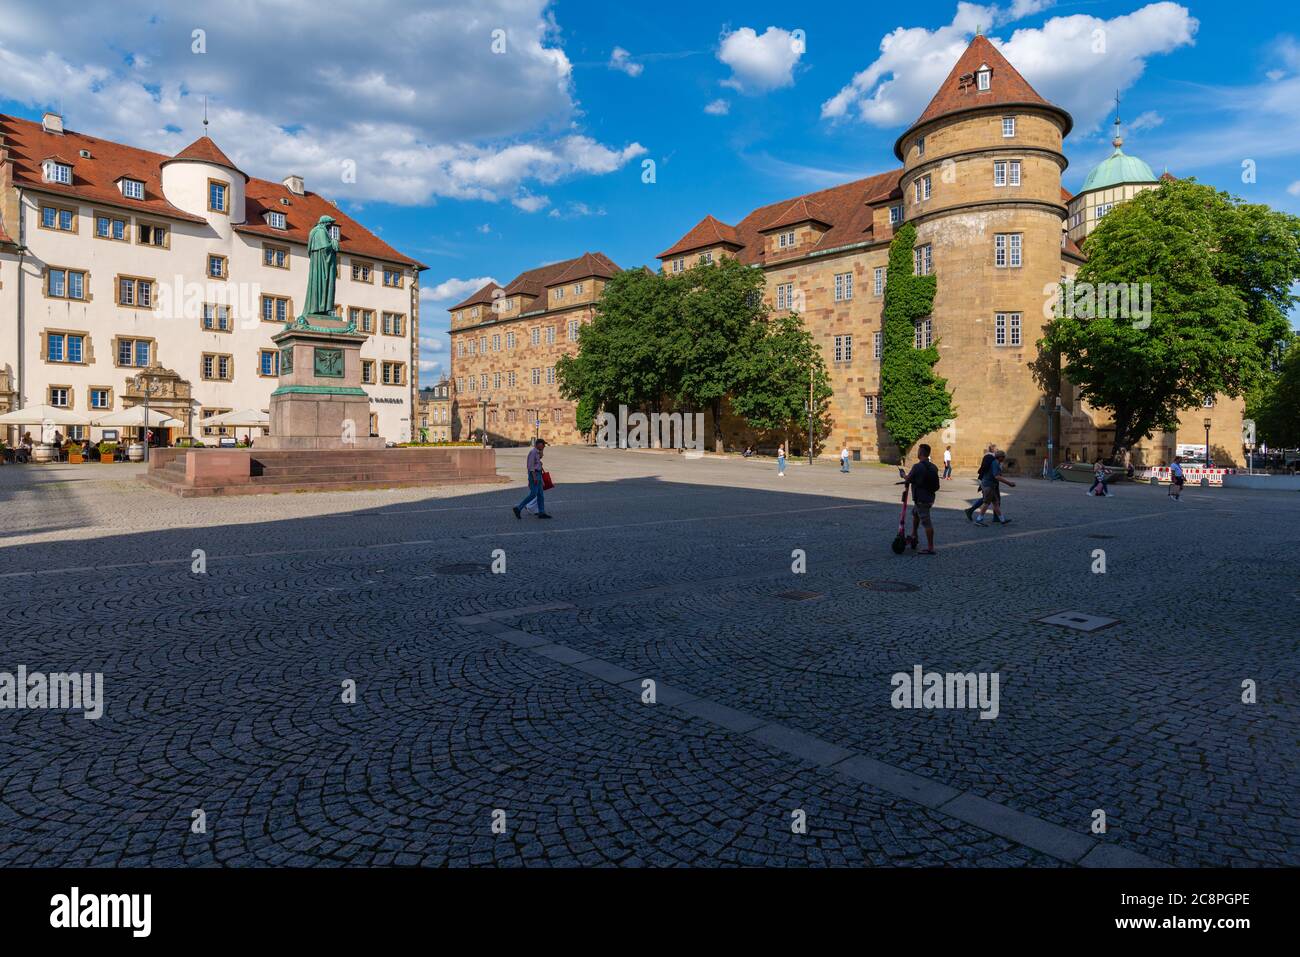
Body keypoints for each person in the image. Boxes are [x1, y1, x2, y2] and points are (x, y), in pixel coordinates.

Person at [900, 443, 941, 554]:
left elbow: (908, 478)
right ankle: (914, 535)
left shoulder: (917, 466)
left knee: (927, 523)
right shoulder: (933, 467)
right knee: (915, 514)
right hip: (929, 497)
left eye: (918, 451)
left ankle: (930, 548)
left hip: (921, 499)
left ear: (920, 453)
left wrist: (903, 474)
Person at [968, 450, 1014, 526]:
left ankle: (1002, 519)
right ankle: (979, 520)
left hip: (991, 486)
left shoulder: (996, 462)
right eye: (1003, 457)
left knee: (995, 503)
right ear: (1000, 457)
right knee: (986, 503)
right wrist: (1009, 483)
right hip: (988, 486)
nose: (1004, 459)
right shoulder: (995, 463)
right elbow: (997, 476)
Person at [512, 438, 551, 519]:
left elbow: (540, 457)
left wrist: (542, 450)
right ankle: (518, 508)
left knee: (540, 495)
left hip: (538, 474)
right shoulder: (533, 452)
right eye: (542, 444)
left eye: (544, 445)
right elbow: (530, 466)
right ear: (538, 444)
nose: (544, 446)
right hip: (534, 475)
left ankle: (541, 512)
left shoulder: (537, 452)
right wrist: (534, 478)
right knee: (533, 494)